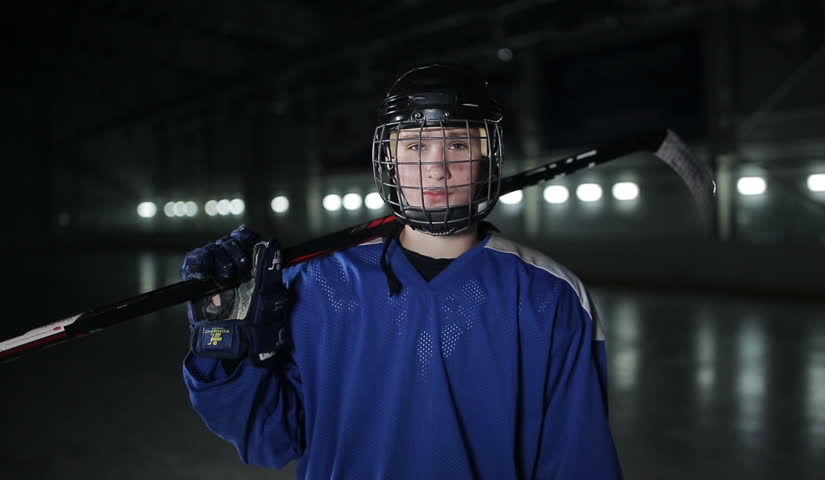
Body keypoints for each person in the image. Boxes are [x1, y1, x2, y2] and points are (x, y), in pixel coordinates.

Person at [181, 64, 623, 479]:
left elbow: (577, 458)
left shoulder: (550, 294)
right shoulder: (317, 283)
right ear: (388, 158)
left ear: (487, 156)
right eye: (414, 145)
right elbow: (269, 440)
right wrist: (223, 342)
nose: (435, 167)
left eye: (456, 144)